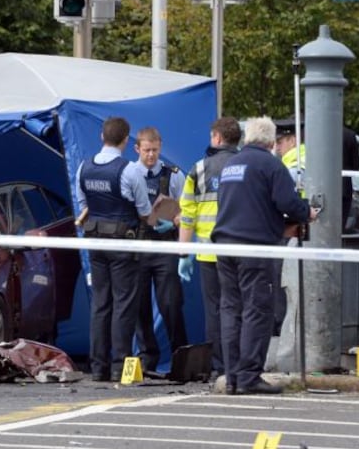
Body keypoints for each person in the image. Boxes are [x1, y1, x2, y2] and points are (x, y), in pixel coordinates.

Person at [211, 117, 316, 395]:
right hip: (253, 249)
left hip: (224, 244)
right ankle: (249, 377)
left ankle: (232, 376)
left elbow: (245, 204)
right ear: (270, 142)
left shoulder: (231, 164)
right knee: (257, 309)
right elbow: (286, 202)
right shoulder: (270, 164)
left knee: (231, 310)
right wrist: (307, 212)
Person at [75, 116, 157, 382]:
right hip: (123, 243)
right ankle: (120, 365)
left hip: (95, 243)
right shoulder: (129, 170)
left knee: (100, 303)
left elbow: (83, 204)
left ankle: (98, 367)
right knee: (124, 303)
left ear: (102, 137)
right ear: (126, 140)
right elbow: (145, 211)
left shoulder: (83, 168)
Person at [177, 117, 242, 382]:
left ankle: (219, 367)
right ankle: (239, 364)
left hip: (208, 253)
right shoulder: (244, 166)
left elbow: (187, 213)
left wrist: (183, 253)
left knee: (215, 311)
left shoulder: (199, 169)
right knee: (238, 308)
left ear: (216, 138)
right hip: (240, 251)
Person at [132, 127, 188, 373]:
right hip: (138, 246)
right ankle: (147, 356)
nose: (151, 155)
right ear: (137, 149)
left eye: (155, 150)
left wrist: (174, 220)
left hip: (164, 245)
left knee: (170, 303)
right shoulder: (129, 173)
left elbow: (187, 211)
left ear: (160, 147)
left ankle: (181, 354)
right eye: (146, 151)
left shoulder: (174, 175)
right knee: (139, 305)